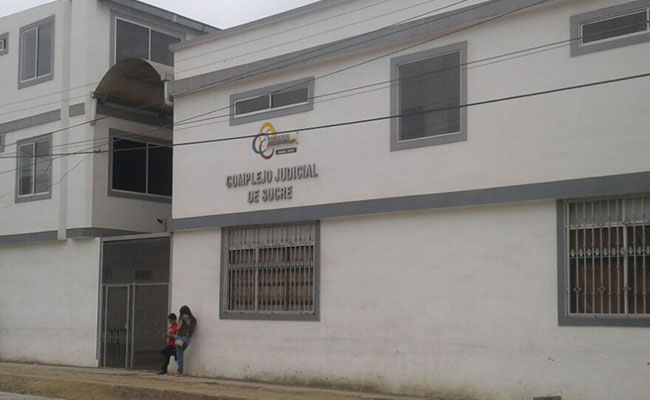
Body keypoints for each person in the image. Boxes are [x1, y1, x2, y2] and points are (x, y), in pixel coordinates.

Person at [175, 305, 197, 376]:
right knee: (180, 353)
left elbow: (178, 328)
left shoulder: (183, 317)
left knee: (179, 354)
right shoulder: (193, 319)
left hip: (180, 337)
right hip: (188, 339)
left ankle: (180, 371)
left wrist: (175, 328)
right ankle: (179, 368)